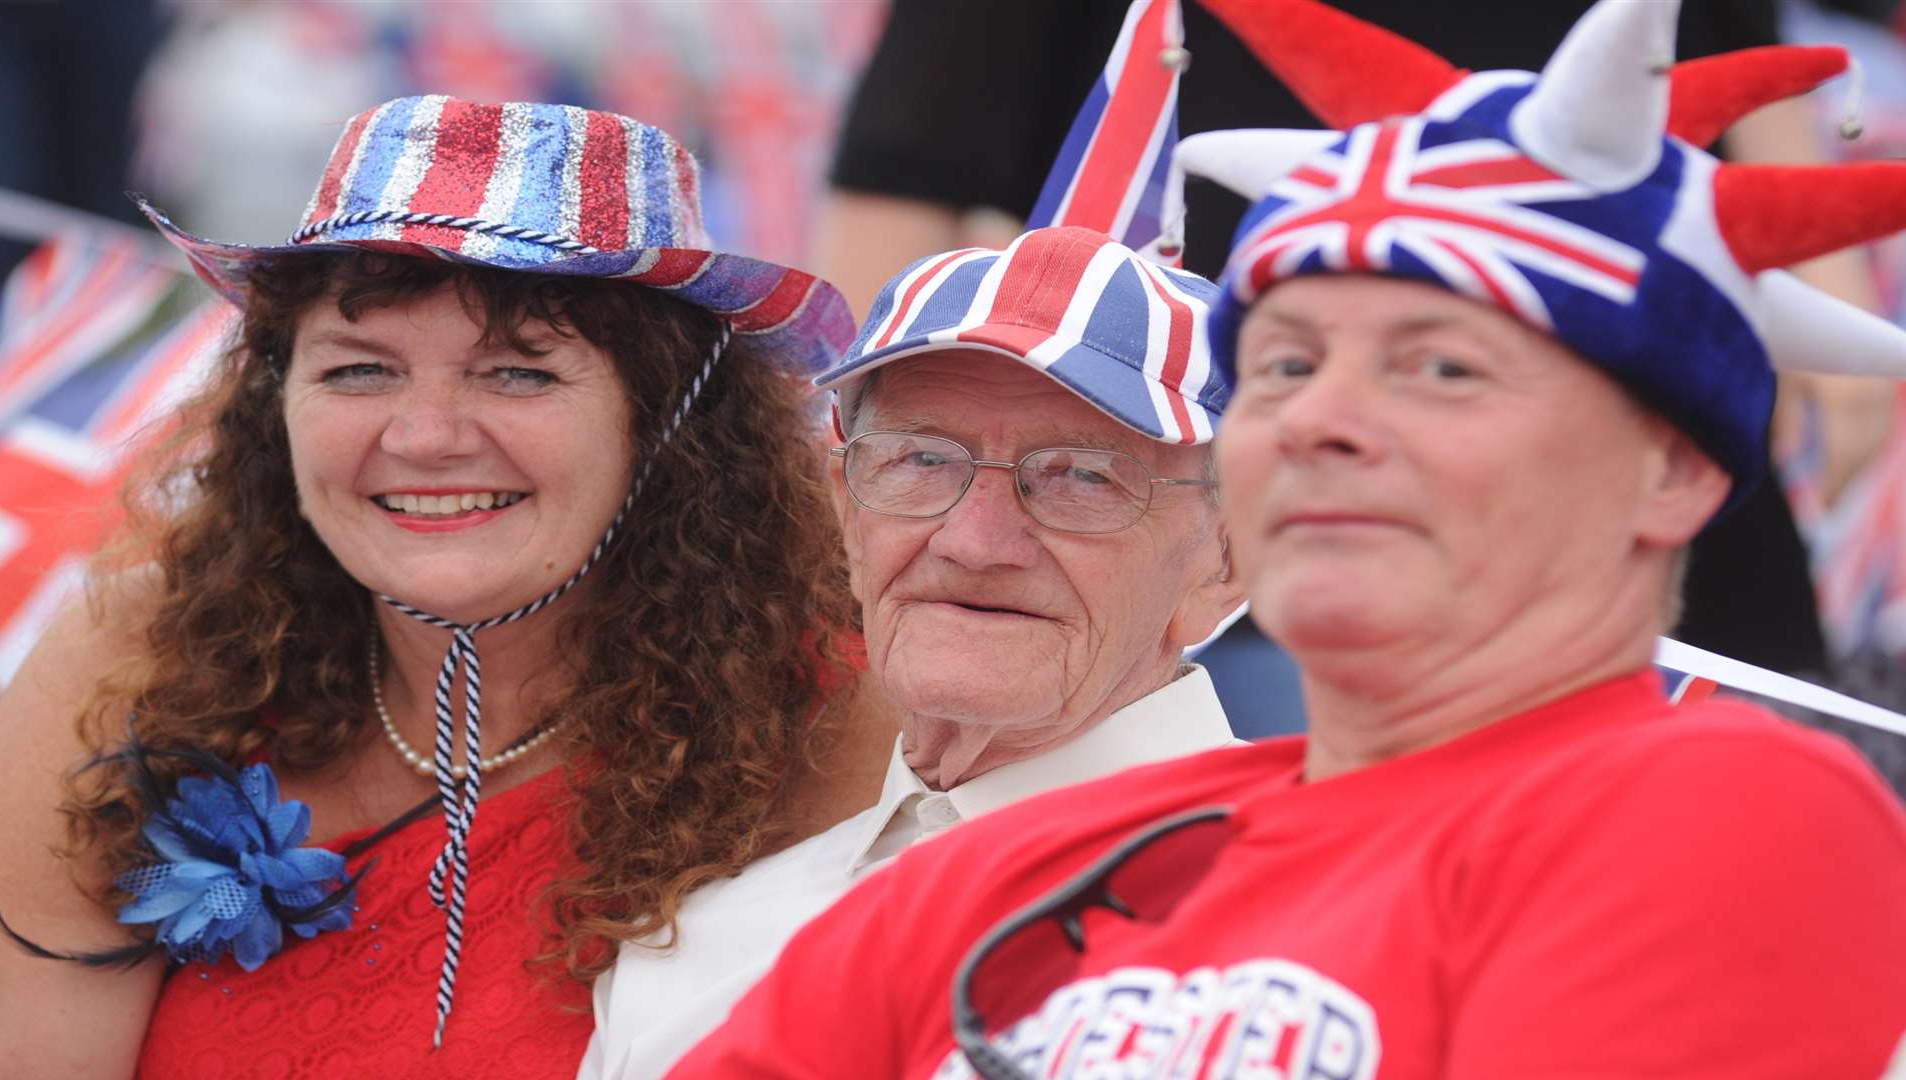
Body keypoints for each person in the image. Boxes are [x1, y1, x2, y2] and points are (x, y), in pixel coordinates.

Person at [670, 2, 1906, 1076]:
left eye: (1440, 367)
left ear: (1672, 471)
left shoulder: (1724, 808)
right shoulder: (1015, 863)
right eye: (1285, 364)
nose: (1321, 419)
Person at [0, 95, 890, 1078]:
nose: (423, 438)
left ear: (669, 424)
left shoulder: (840, 725)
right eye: (359, 372)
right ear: (273, 402)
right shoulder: (134, 667)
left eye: (517, 374)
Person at [581, 224, 1249, 1079]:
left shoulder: (1344, 913)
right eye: (922, 459)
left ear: (1230, 559)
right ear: (846, 517)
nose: (974, 540)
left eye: (1083, 475)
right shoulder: (691, 948)